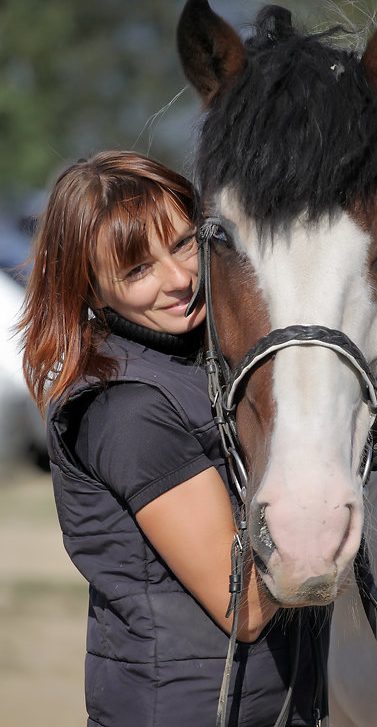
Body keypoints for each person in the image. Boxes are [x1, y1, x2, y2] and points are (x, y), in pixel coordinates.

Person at [17, 151, 331, 727]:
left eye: (185, 243)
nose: (179, 279)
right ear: (90, 290)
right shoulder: (126, 407)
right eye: (138, 269)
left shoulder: (206, 362)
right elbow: (245, 608)